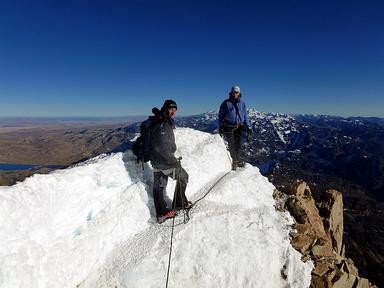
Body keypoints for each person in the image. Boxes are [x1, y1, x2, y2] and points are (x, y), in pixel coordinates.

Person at [150, 99, 192, 223]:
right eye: (171, 108)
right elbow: (162, 146)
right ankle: (179, 203)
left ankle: (162, 213)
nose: (173, 111)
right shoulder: (163, 123)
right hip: (164, 160)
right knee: (183, 177)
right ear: (165, 108)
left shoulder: (158, 120)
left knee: (159, 186)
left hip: (155, 159)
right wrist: (172, 161)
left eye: (175, 109)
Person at [218, 85, 251, 170]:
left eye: (237, 92)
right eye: (234, 92)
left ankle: (236, 159)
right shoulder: (226, 103)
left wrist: (248, 126)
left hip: (239, 126)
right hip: (228, 126)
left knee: (238, 144)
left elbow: (245, 115)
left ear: (239, 93)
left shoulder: (242, 103)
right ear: (231, 92)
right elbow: (221, 115)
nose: (235, 94)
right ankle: (234, 161)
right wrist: (221, 125)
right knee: (231, 144)